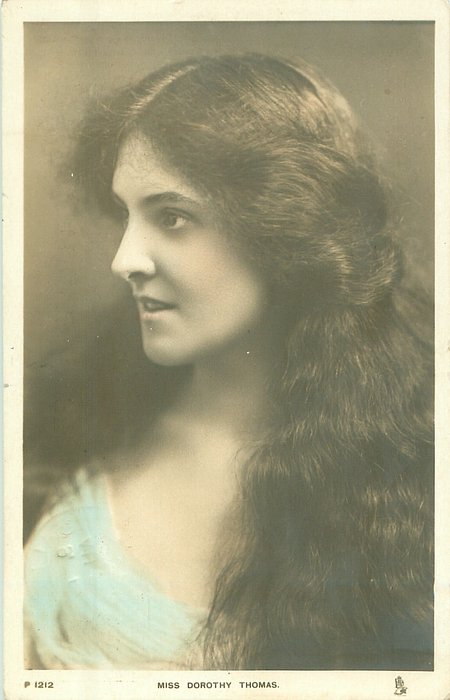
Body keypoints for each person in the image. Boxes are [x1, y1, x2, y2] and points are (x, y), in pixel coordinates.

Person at [24, 53, 433, 671]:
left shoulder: (409, 467)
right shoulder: (71, 426)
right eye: (126, 214)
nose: (125, 259)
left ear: (284, 232)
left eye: (172, 217)